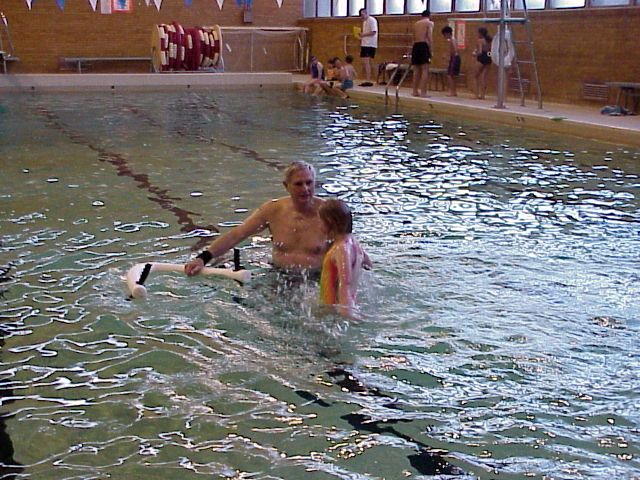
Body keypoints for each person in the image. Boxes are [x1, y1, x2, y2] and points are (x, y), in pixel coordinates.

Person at [185, 161, 330, 276]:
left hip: (315, 278)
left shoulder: (328, 213)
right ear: (286, 186)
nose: (305, 189)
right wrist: (202, 258)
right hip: (278, 275)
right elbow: (237, 235)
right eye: (298, 184)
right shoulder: (273, 210)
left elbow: (343, 249)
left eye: (309, 183)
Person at [318, 199, 372, 318]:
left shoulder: (341, 249)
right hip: (347, 304)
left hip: (334, 312)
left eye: (320, 221)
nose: (319, 225)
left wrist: (347, 313)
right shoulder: (354, 243)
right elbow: (368, 265)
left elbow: (345, 283)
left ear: (329, 222)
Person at [411, 10, 433, 97]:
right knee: (425, 70)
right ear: (429, 16)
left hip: (416, 46)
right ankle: (423, 92)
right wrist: (431, 50)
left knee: (416, 70)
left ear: (421, 16)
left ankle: (415, 91)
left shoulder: (416, 24)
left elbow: (413, 37)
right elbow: (429, 37)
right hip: (424, 45)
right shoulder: (429, 23)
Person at [358, 8, 378, 87]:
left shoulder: (372, 20)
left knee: (367, 62)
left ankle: (369, 80)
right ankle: (370, 79)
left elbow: (373, 32)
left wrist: (363, 34)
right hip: (365, 43)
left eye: (362, 15)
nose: (361, 17)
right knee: (366, 62)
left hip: (369, 44)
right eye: (360, 16)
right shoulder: (364, 22)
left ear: (366, 13)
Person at [473, 27, 492, 99]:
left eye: (478, 33)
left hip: (482, 57)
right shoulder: (489, 41)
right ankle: (483, 95)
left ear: (480, 33)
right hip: (488, 57)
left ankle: (476, 95)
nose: (477, 34)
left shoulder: (480, 40)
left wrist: (475, 54)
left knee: (475, 76)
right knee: (484, 78)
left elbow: (480, 52)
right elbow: (490, 50)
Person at [442, 26, 461, 97]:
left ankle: (452, 91)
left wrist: (447, 56)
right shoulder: (453, 39)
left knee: (450, 75)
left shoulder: (452, 40)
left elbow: (455, 50)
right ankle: (454, 91)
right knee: (453, 76)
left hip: (454, 58)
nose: (444, 37)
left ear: (447, 33)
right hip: (455, 58)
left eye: (444, 35)